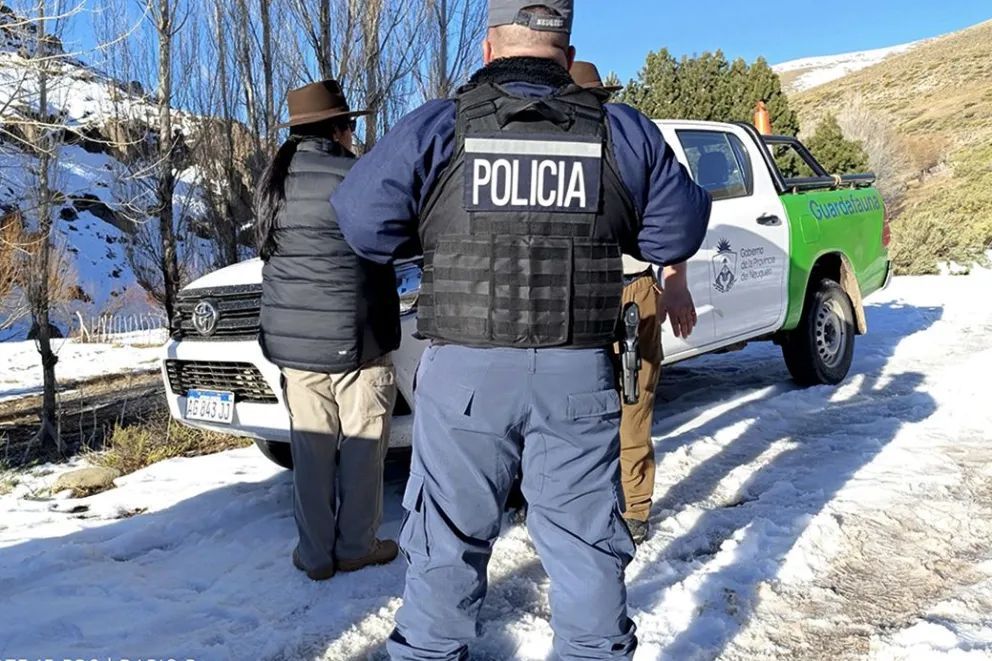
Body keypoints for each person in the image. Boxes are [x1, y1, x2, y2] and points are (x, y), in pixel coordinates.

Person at [332, 2, 712, 657]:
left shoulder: (438, 127)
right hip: (577, 373)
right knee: (586, 545)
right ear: (568, 54)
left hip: (466, 376)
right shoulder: (621, 130)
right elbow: (676, 232)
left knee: (447, 544)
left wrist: (435, 227)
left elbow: (364, 224)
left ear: (487, 49)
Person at [256, 80, 401, 582]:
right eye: (350, 127)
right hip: (357, 339)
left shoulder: (272, 180)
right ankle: (357, 546)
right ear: (338, 129)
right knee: (362, 446)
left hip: (293, 345)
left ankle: (315, 554)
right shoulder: (358, 176)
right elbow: (392, 243)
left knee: (312, 449)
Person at [570, 61, 699, 545]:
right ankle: (587, 501)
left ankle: (635, 506)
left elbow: (676, 216)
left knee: (633, 398)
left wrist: (676, 280)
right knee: (578, 403)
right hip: (575, 289)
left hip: (629, 288)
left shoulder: (632, 148)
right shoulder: (562, 148)